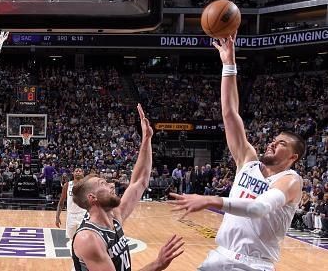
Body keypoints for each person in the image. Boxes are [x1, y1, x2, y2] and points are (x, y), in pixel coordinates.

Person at [169, 33, 305, 271]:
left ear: (293, 157)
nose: (272, 143)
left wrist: (210, 200)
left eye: (282, 143)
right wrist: (228, 65)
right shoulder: (247, 161)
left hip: (253, 265)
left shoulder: (290, 181)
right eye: (274, 140)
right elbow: (230, 113)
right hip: (218, 257)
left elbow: (258, 208)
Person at [71, 104, 184, 271]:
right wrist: (157, 264)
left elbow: (139, 181)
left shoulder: (113, 217)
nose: (111, 184)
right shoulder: (88, 238)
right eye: (103, 183)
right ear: (92, 198)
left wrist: (146, 139)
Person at [55, 167, 87, 240]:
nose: (78, 172)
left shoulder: (87, 185)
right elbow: (61, 202)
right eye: (76, 171)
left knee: (82, 239)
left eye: (80, 171)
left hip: (83, 214)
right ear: (73, 173)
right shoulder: (67, 185)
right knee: (71, 239)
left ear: (83, 173)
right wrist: (57, 217)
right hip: (71, 215)